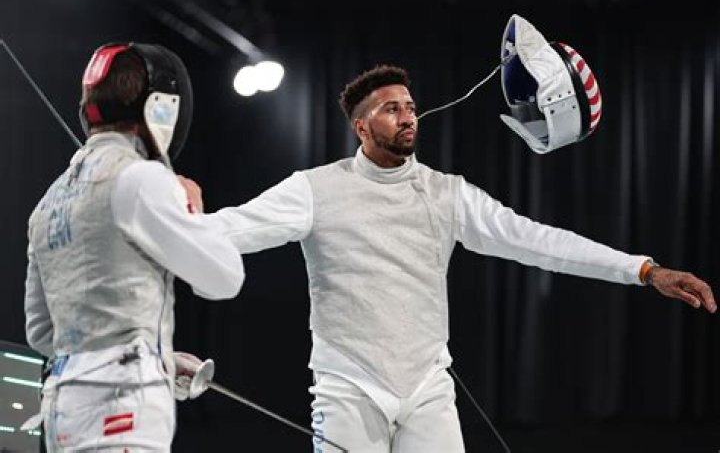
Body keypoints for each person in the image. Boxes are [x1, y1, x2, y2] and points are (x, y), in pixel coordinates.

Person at [194, 65, 716, 452]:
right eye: (391, 109)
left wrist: (643, 270)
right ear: (361, 127)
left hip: (427, 386)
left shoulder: (448, 194)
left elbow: (539, 242)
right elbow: (232, 229)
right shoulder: (315, 189)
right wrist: (168, 216)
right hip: (348, 388)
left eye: (410, 106)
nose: (407, 116)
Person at [23, 42, 245, 452]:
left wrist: (158, 355)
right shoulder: (141, 179)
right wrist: (192, 206)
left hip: (63, 409)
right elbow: (224, 276)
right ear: (161, 108)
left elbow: (42, 331)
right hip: (122, 405)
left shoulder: (46, 205)